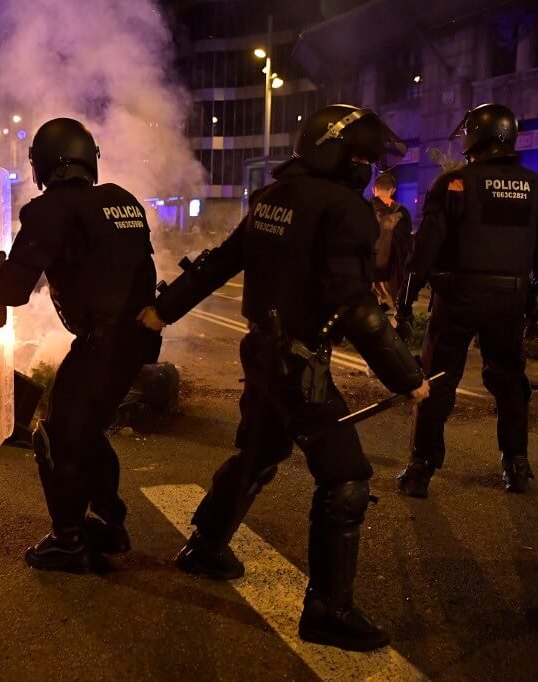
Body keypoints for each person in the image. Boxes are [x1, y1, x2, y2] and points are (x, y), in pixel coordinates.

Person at [138, 104, 429, 652]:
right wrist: (407, 376)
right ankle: (327, 611)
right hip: (300, 361)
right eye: (361, 156)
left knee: (261, 450)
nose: (366, 168)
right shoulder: (345, 209)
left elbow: (220, 261)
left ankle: (205, 547)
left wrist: (163, 310)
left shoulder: (274, 198)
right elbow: (354, 305)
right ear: (337, 153)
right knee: (345, 478)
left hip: (262, 352)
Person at [0, 118, 162, 573]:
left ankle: (69, 541)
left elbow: (12, 290)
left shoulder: (52, 209)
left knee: (55, 436)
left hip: (101, 344)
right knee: (85, 432)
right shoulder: (121, 201)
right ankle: (109, 522)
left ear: (46, 165)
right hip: (136, 343)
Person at [395, 103, 538, 497]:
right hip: (510, 299)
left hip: (458, 297)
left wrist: (405, 301)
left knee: (438, 381)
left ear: (473, 136)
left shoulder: (455, 184)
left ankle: (421, 468)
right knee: (510, 383)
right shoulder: (537, 187)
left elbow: (424, 252)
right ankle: (517, 465)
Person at [370, 172, 413, 310]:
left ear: (373, 189)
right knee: (393, 312)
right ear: (393, 190)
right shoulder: (402, 213)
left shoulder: (364, 209)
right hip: (392, 273)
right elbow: (406, 246)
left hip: (368, 272)